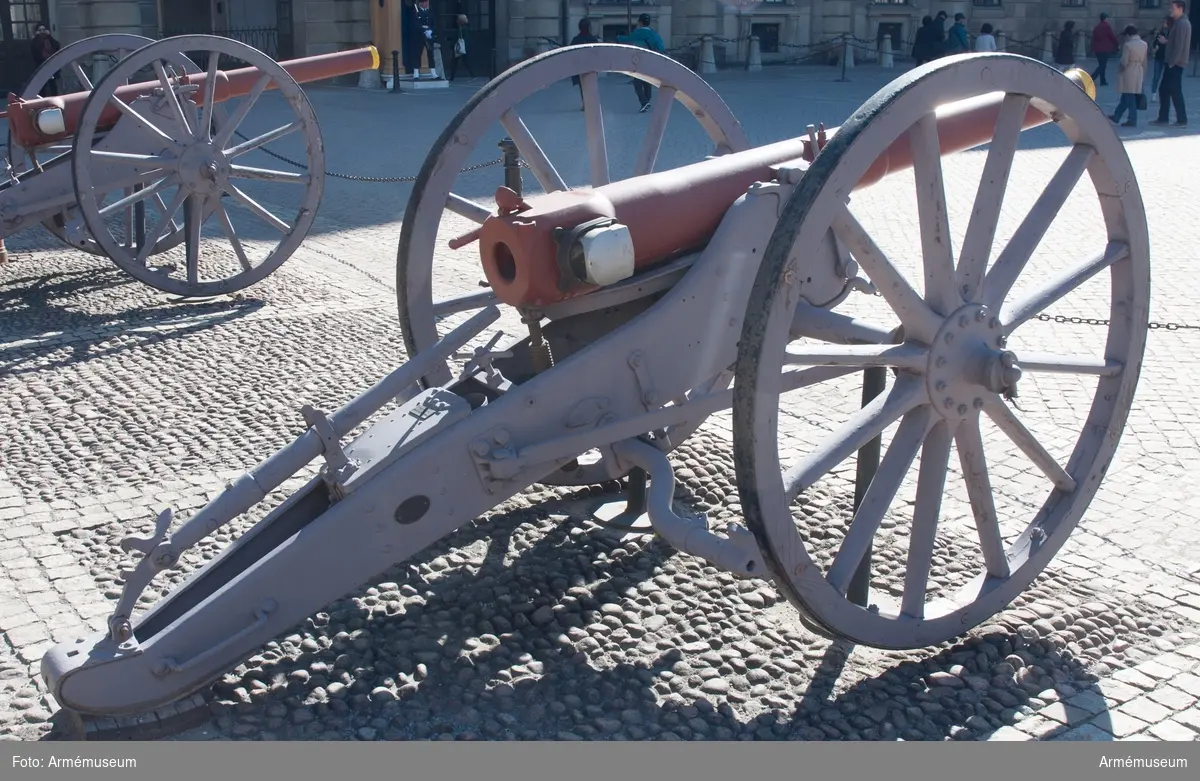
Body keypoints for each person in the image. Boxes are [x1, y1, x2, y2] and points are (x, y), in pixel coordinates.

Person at [1151, 0, 1191, 127]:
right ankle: (1164, 117)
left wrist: (1172, 63)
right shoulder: (1179, 23)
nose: (1170, 10)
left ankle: (1181, 119)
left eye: (1173, 8)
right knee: (1164, 90)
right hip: (1173, 62)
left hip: (1175, 63)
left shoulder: (1182, 24)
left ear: (1180, 9)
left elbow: (1179, 46)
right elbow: (1176, 43)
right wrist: (1167, 42)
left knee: (1175, 91)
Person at [618, 14, 665, 112]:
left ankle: (644, 102)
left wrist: (618, 37)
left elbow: (627, 41)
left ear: (639, 22)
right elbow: (661, 47)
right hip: (652, 61)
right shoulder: (654, 33)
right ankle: (646, 101)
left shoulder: (637, 33)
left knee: (637, 83)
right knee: (648, 82)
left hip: (640, 61)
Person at [1110, 25, 1147, 127]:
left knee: (1129, 97)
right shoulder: (1144, 44)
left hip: (1129, 71)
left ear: (1128, 35)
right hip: (1139, 70)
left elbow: (1124, 61)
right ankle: (1116, 116)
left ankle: (1132, 119)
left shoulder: (1128, 45)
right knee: (1126, 96)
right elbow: (1145, 61)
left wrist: (1119, 71)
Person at [570, 19, 600, 108]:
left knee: (582, 86)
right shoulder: (593, 39)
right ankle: (590, 102)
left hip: (580, 66)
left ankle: (585, 103)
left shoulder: (576, 39)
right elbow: (597, 53)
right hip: (591, 65)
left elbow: (571, 53)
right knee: (590, 85)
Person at [30, 22, 61, 96]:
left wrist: (49, 36)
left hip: (51, 65)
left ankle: (54, 96)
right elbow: (35, 49)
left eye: (43, 29)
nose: (42, 31)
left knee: (52, 84)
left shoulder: (50, 40)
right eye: (40, 30)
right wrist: (37, 37)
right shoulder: (35, 42)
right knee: (41, 85)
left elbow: (57, 46)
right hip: (40, 65)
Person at [1090, 13, 1119, 86]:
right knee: (1102, 65)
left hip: (1097, 49)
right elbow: (1112, 36)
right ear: (1105, 18)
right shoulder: (1107, 26)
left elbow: (1093, 38)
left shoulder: (1097, 27)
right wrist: (1117, 44)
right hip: (1105, 49)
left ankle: (1103, 81)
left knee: (1102, 65)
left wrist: (1093, 48)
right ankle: (1092, 78)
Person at [1149, 17, 1172, 102]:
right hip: (1159, 57)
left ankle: (1165, 94)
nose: (1163, 24)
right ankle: (1153, 93)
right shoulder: (1160, 33)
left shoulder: (1172, 33)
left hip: (1167, 58)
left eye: (1165, 22)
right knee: (1156, 77)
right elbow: (1155, 43)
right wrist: (1155, 48)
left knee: (1166, 78)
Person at [415, 0, 437, 78]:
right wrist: (424, 31)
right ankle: (416, 72)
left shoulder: (430, 12)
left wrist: (430, 31)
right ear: (421, 3)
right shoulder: (416, 12)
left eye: (426, 2)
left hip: (429, 36)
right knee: (418, 54)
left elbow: (434, 23)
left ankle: (433, 73)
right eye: (424, 2)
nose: (425, 4)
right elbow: (416, 24)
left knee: (430, 54)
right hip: (420, 36)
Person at [448, 13, 473, 80]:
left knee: (455, 62)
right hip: (464, 47)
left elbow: (457, 37)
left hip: (460, 47)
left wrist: (452, 44)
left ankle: (451, 77)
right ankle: (473, 75)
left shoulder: (461, 28)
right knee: (465, 62)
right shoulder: (466, 27)